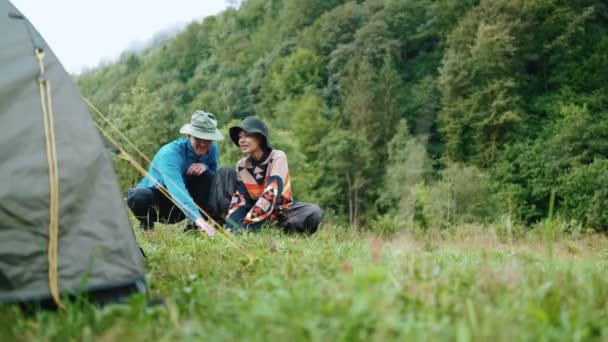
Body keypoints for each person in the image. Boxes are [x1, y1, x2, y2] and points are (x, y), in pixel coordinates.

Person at [127, 110, 236, 236]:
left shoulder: (212, 149)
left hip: (182, 209)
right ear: (189, 135)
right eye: (198, 138)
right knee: (139, 195)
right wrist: (197, 218)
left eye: (207, 139)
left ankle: (196, 228)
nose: (203, 143)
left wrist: (204, 166)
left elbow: (214, 183)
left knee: (209, 176)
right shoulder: (169, 153)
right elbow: (177, 189)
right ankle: (147, 227)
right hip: (159, 201)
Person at [225, 117, 323, 234]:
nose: (241, 140)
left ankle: (260, 229)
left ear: (260, 138)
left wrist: (246, 225)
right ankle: (256, 230)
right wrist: (231, 225)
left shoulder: (277, 157)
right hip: (253, 210)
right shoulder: (241, 165)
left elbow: (271, 195)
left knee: (313, 212)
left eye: (247, 135)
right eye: (240, 137)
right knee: (224, 174)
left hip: (280, 211)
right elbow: (240, 200)